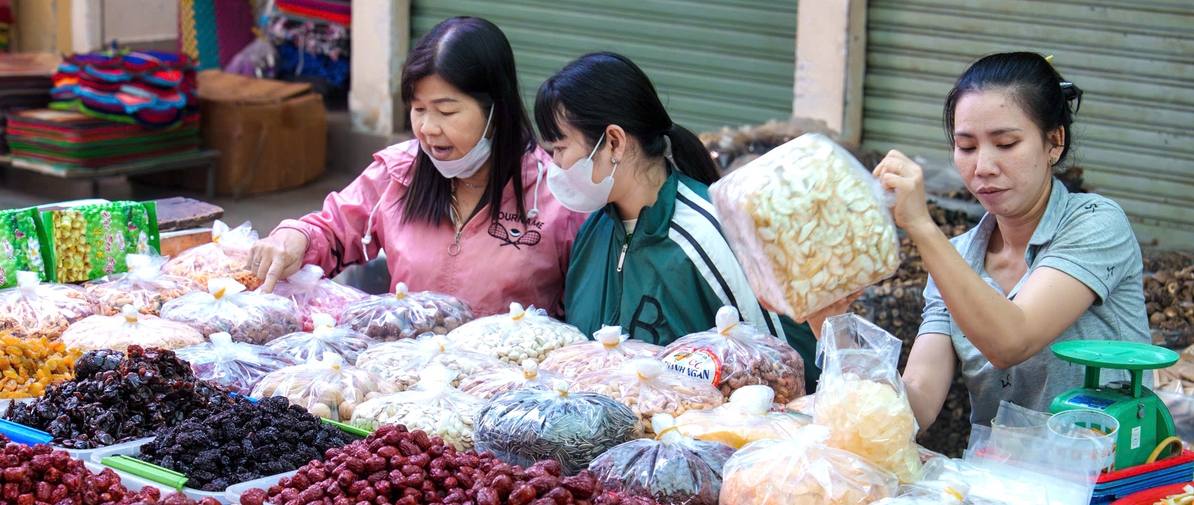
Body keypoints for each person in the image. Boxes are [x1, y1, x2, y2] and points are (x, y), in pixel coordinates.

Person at [535, 52, 839, 391]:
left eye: (559, 148)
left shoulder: (711, 233)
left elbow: (789, 375)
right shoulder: (594, 231)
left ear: (614, 142)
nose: (554, 165)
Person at [876, 52, 1150, 428]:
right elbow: (916, 409)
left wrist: (921, 226)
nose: (983, 167)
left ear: (1054, 142)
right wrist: (828, 317)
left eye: (1005, 144)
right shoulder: (957, 258)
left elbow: (1011, 341)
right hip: (1000, 480)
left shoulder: (1097, 224)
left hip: (1103, 480)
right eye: (967, 147)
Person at [247, 17, 583, 318]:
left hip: (504, 380)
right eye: (418, 109)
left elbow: (585, 316)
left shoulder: (556, 195)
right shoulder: (398, 172)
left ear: (497, 109)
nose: (428, 128)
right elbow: (332, 230)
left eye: (446, 111)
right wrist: (295, 237)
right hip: (407, 374)